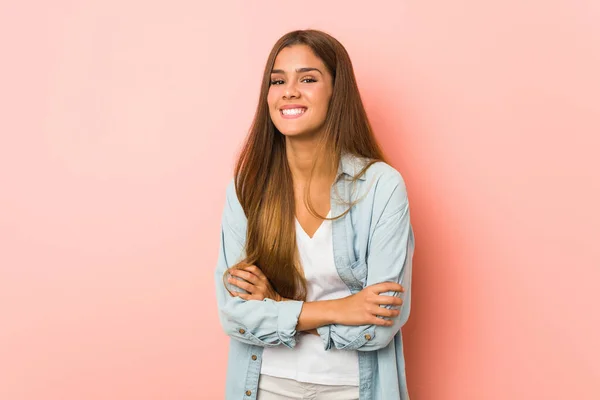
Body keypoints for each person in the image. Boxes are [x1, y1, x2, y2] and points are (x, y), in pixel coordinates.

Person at [214, 29, 415, 400]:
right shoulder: (247, 188)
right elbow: (235, 315)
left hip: (352, 387)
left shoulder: (381, 187)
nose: (290, 90)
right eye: (278, 80)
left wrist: (276, 306)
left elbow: (381, 325)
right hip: (264, 384)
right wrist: (342, 308)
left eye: (307, 78)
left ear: (337, 93)